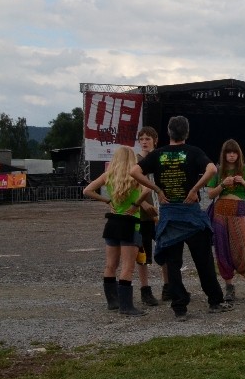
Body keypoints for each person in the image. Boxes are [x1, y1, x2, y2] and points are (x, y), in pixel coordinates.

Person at [131, 115, 231, 320]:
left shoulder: (158, 155)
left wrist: (157, 189)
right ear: (186, 133)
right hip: (191, 215)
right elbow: (212, 168)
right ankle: (215, 301)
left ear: (168, 133)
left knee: (173, 264)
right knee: (203, 262)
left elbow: (134, 171)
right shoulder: (193, 152)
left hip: (169, 217)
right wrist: (195, 189)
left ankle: (179, 308)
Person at [83, 145, 157, 316]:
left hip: (112, 223)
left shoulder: (108, 175)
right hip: (131, 223)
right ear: (132, 159)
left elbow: (87, 190)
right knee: (128, 266)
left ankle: (112, 301)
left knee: (111, 264)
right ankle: (126, 305)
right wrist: (136, 204)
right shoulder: (135, 176)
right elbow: (148, 188)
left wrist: (107, 201)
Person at [206, 139, 245, 302]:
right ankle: (229, 287)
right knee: (222, 249)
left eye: (234, 152)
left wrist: (243, 182)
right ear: (224, 154)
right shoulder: (219, 170)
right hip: (220, 212)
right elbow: (210, 194)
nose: (232, 155)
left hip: (238, 211)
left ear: (238, 154)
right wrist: (222, 185)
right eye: (229, 152)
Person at [135, 126, 166, 306]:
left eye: (148, 139)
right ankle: (145, 290)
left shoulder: (160, 160)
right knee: (142, 254)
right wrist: (143, 203)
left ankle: (168, 286)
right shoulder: (135, 162)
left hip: (162, 213)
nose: (145, 142)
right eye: (142, 139)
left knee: (166, 250)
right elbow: (132, 185)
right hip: (142, 215)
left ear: (155, 140)